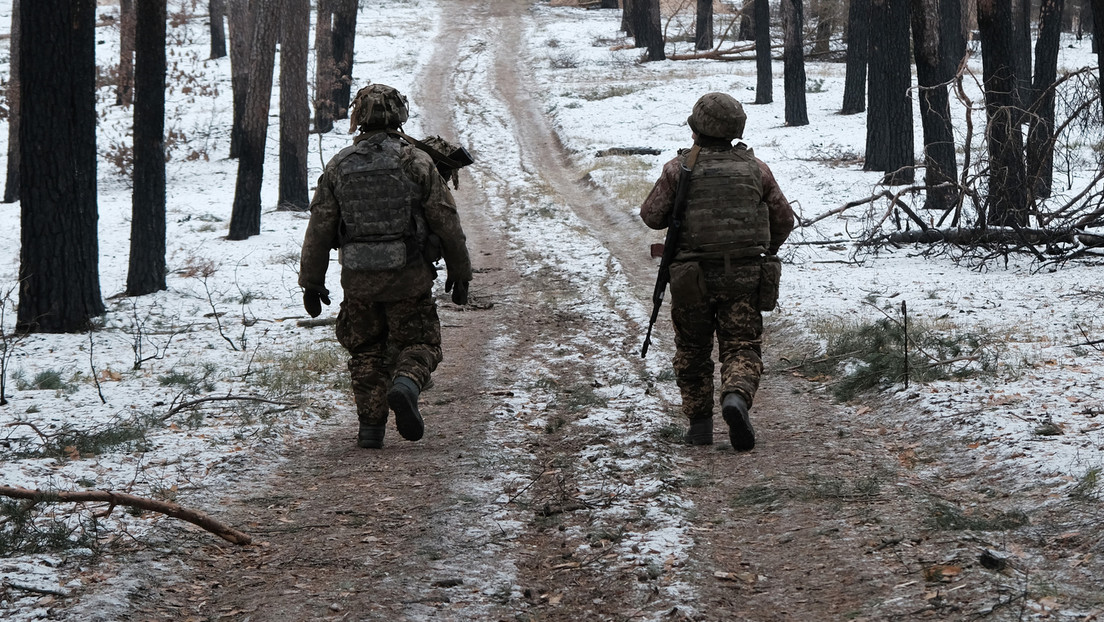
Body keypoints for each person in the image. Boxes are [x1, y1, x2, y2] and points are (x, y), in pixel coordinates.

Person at [299, 83, 473, 449]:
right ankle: (406, 383)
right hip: (409, 277)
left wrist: (311, 281)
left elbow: (320, 226)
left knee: (366, 349)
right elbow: (446, 220)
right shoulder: (417, 161)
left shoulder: (340, 165)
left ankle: (370, 428)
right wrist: (460, 271)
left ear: (358, 117)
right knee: (420, 342)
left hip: (358, 279)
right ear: (400, 114)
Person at [639, 92, 794, 450]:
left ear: (697, 128)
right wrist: (764, 251)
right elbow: (784, 219)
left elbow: (651, 216)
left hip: (692, 278)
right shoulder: (757, 169)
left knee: (692, 349)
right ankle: (735, 397)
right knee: (741, 346)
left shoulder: (679, 170)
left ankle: (699, 426)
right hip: (744, 278)